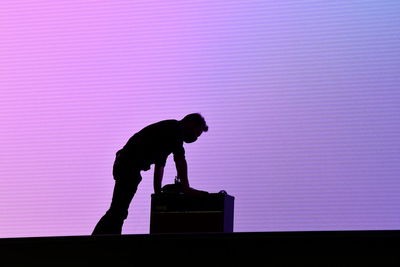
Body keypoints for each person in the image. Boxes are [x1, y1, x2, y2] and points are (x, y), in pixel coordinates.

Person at [92, 113, 209, 235]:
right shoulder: (175, 130)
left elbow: (160, 164)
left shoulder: (170, 131)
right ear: (190, 123)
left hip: (127, 165)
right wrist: (186, 188)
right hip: (128, 164)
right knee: (118, 210)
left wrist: (158, 193)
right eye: (196, 133)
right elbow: (179, 160)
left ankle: (106, 239)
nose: (195, 138)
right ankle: (100, 240)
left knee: (119, 209)